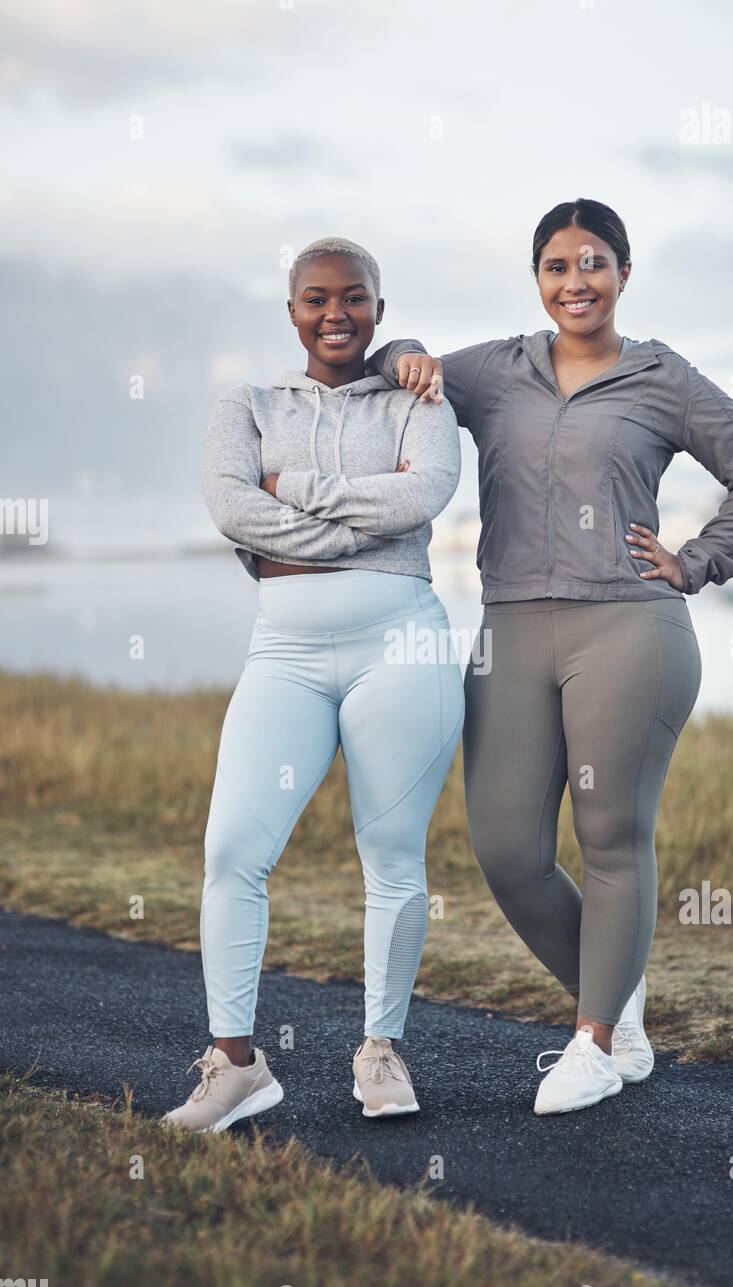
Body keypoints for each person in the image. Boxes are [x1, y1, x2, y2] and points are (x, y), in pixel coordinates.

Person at [366, 198, 733, 1116]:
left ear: (624, 274)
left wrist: (700, 561)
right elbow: (393, 361)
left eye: (594, 264)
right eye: (558, 267)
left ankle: (595, 1041)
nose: (576, 283)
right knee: (507, 846)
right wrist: (399, 356)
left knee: (610, 838)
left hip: (629, 629)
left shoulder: (663, 378)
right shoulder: (495, 372)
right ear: (538, 280)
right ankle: (619, 1004)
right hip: (512, 627)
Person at [162, 237, 464, 1133]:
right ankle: (237, 1067)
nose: (337, 312)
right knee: (232, 852)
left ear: (378, 305)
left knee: (395, 859)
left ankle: (380, 1050)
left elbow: (424, 499)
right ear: (291, 308)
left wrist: (290, 492)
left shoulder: (419, 395)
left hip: (401, 645)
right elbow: (228, 506)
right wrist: (352, 529)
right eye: (316, 298)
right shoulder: (244, 406)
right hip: (283, 658)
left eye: (356, 297)